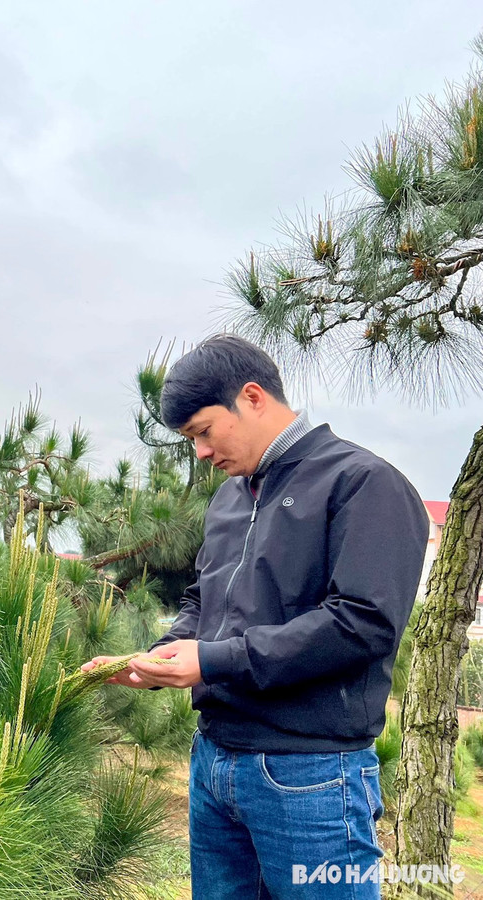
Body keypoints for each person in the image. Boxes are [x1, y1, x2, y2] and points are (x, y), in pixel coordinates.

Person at [82, 334, 427, 900]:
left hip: (310, 775)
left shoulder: (364, 483)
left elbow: (361, 623)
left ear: (252, 397)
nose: (200, 452)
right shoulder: (230, 498)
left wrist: (211, 661)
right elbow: (203, 603)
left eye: (203, 431)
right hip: (214, 764)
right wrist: (158, 656)